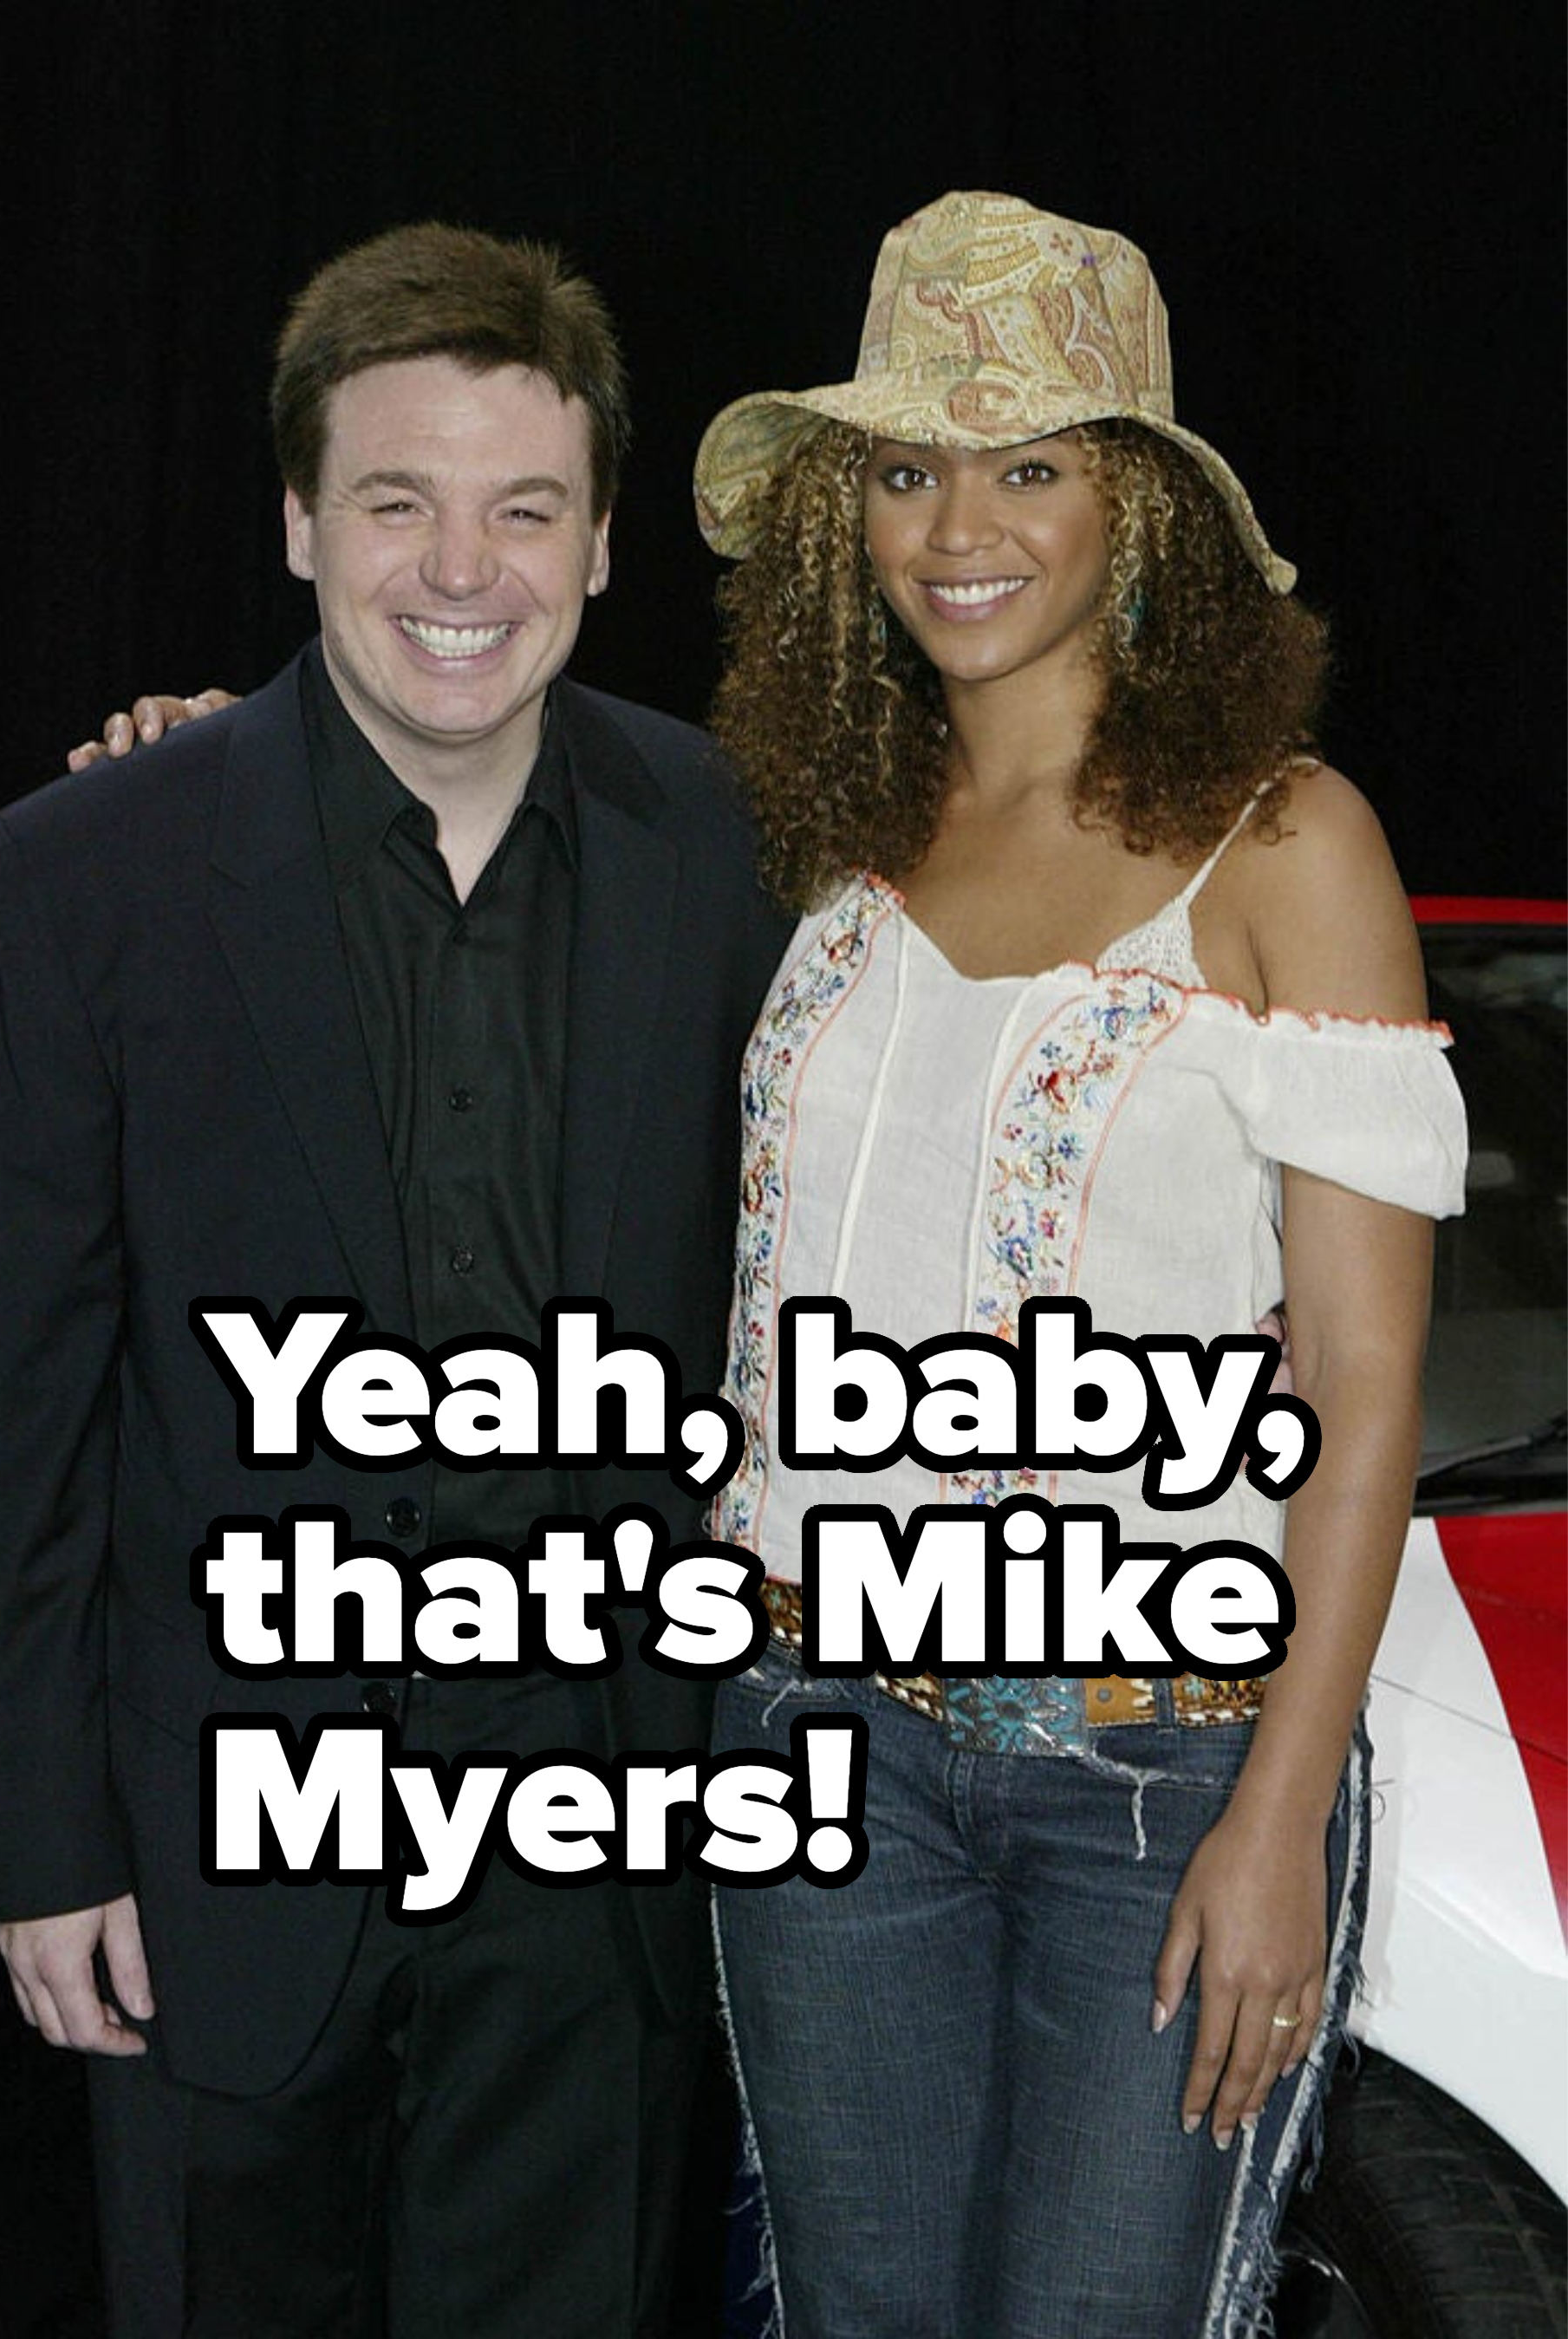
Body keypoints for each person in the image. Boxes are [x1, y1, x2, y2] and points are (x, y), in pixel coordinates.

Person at [0, 220, 788, 2339]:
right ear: (303, 517)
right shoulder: (78, 872)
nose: (460, 568)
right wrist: (45, 1842)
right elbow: (19, 1410)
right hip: (218, 1846)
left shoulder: (742, 849)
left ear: (598, 547)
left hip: (597, 1849)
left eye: (524, 509)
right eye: (398, 501)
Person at [688, 192, 1467, 2339]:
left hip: (1162, 1763)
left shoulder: (1284, 842)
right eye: (909, 464)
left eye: (1029, 462)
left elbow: (1360, 1380)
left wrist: (1280, 1814)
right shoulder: (837, 832)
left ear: (1137, 507)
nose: (962, 520)